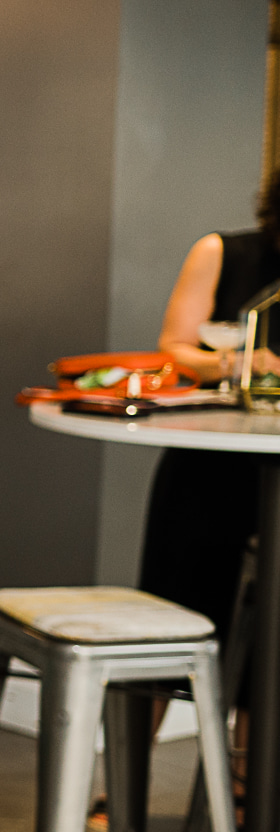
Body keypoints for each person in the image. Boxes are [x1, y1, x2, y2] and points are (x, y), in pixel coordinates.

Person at [140, 171, 280, 663]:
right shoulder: (222, 253)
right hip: (212, 462)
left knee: (270, 652)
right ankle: (142, 740)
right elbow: (174, 350)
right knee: (171, 625)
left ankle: (248, 744)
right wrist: (242, 362)